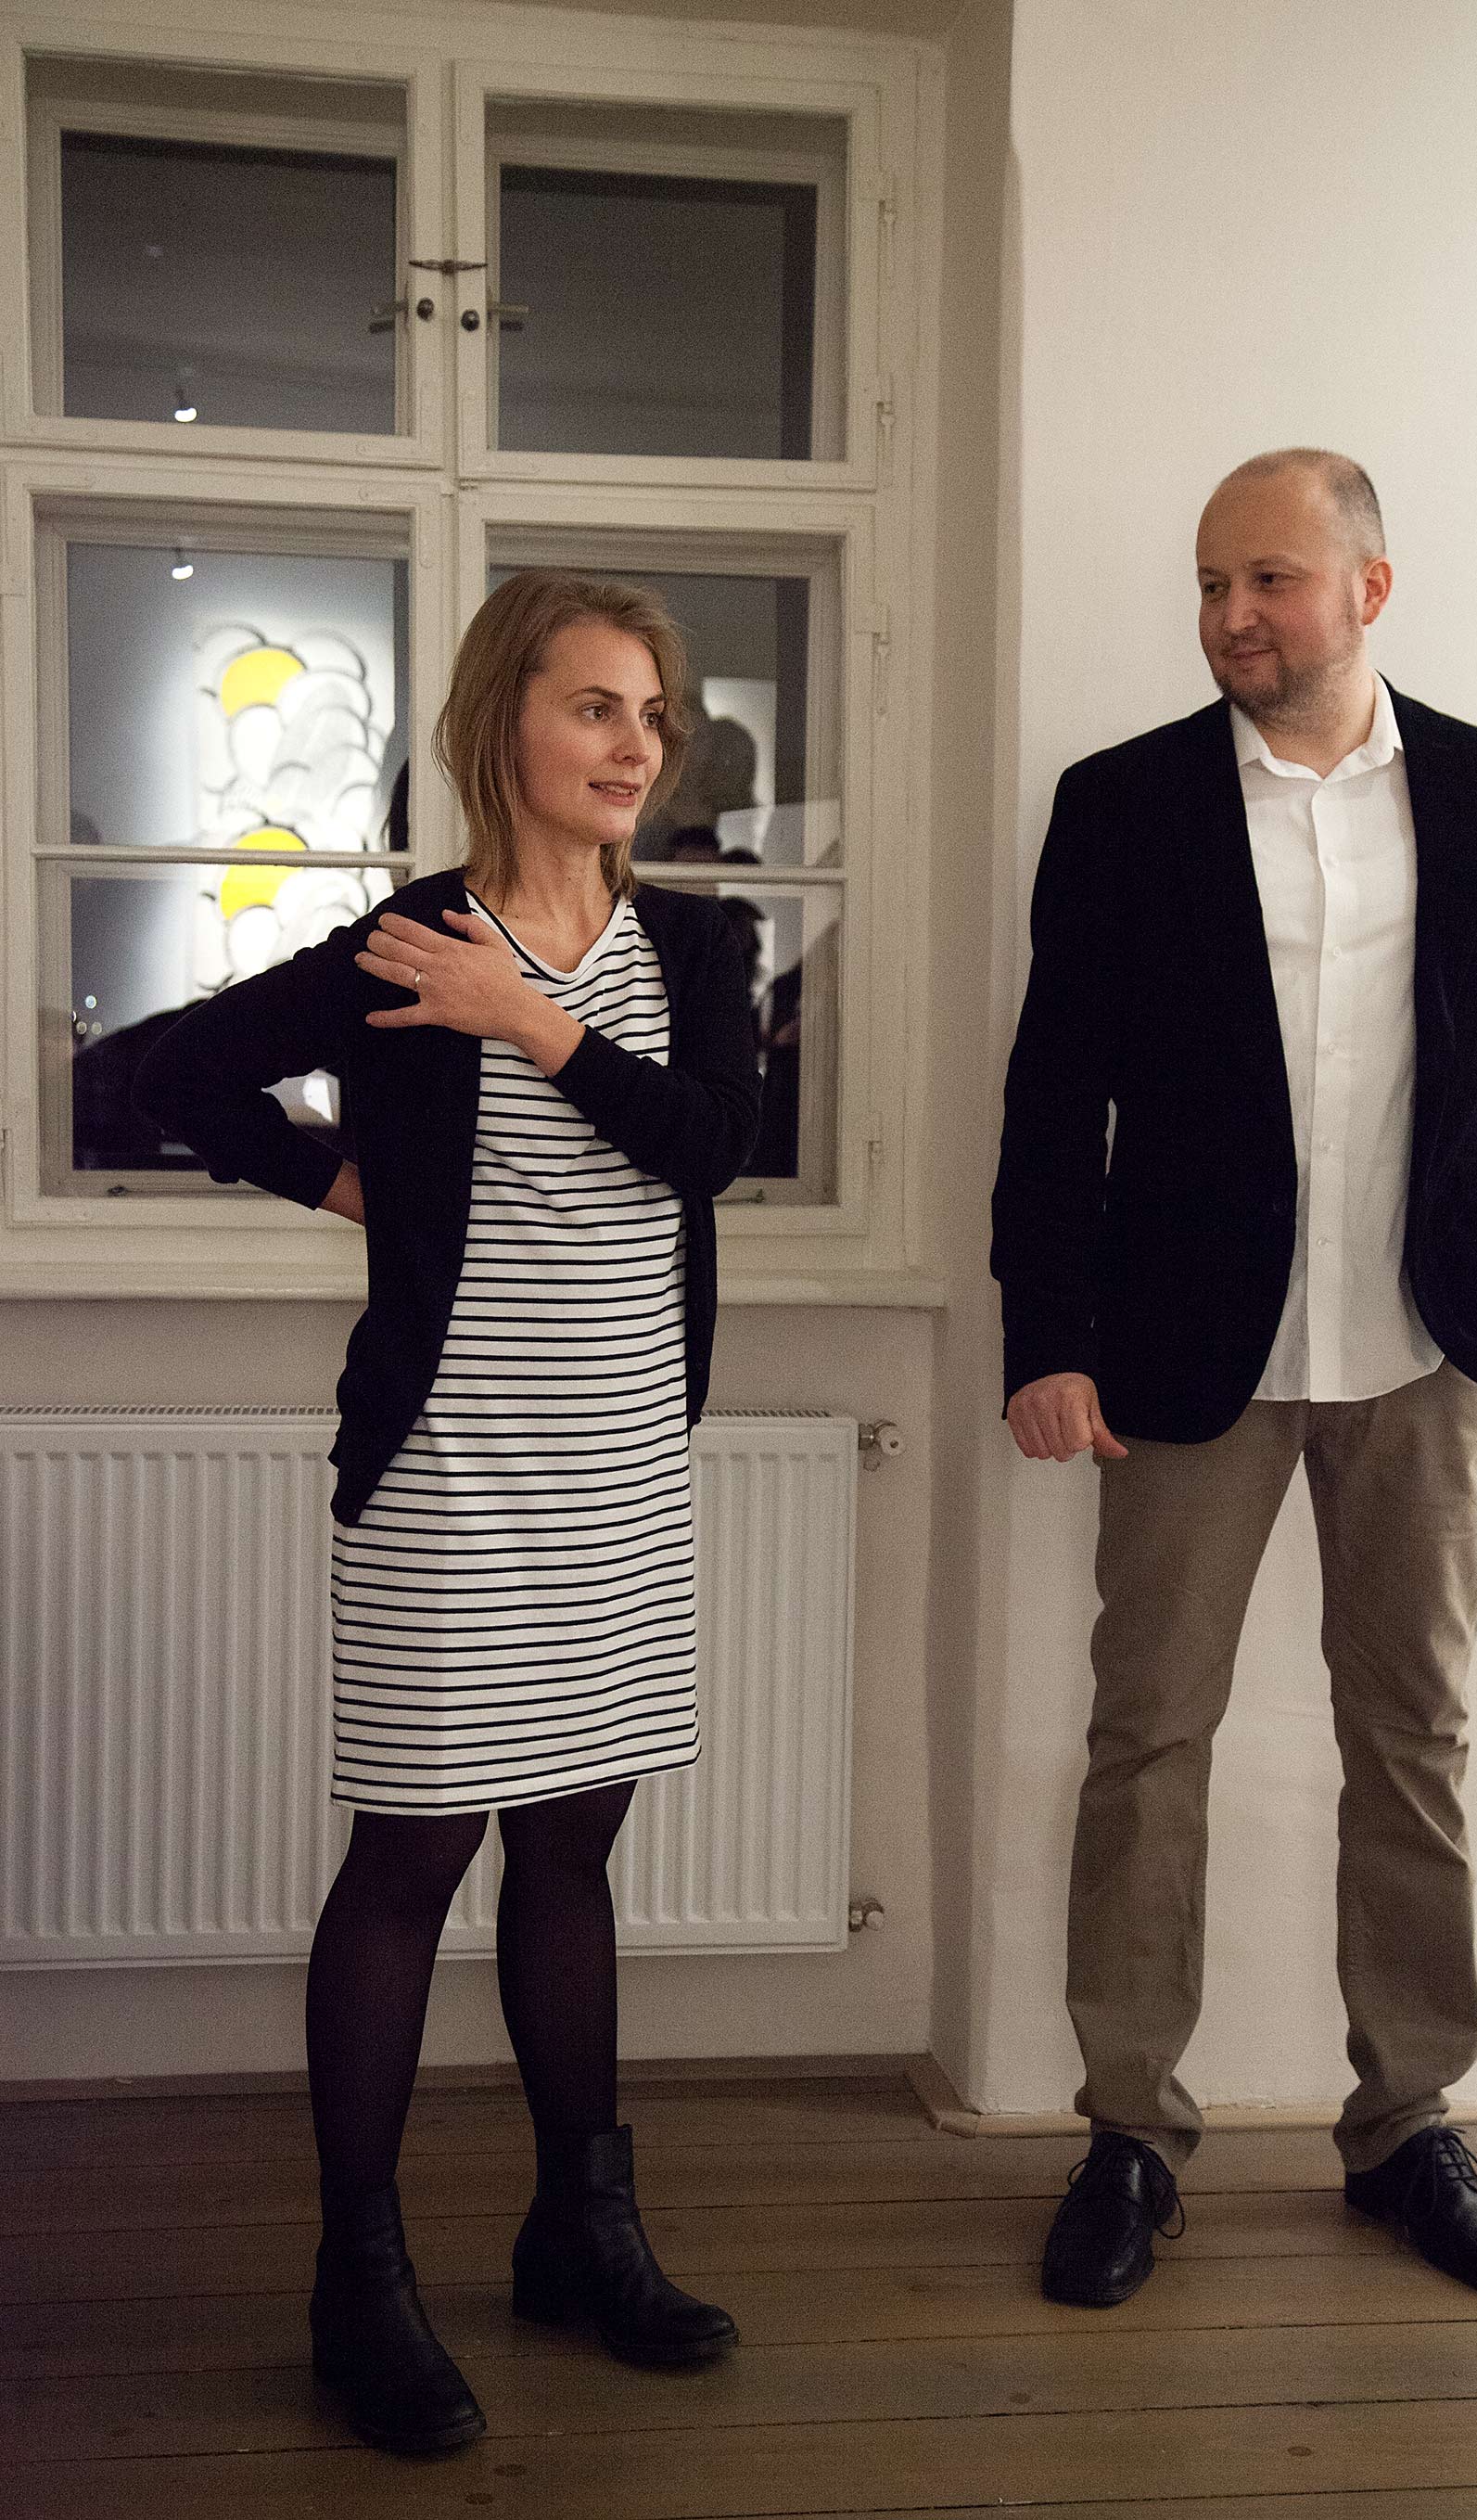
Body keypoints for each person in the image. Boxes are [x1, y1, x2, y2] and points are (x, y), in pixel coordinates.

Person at [990, 450, 1477, 2314]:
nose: (1230, 617)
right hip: (1181, 1359)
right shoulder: (1124, 803)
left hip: (1418, 1353)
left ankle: (1407, 2122)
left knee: (1412, 1737)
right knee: (1149, 1739)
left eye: (1267, 579)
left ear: (1369, 586)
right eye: (1212, 584)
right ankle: (1130, 2131)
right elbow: (1056, 1095)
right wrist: (1050, 1333)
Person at [136, 570, 761, 2454]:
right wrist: (348, 1185)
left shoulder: (699, 947)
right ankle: (359, 2281)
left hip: (621, 1469)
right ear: (506, 721)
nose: (635, 745)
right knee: (411, 1859)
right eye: (595, 706)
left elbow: (709, 1151)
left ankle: (582, 2228)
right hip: (450, 1474)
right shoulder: (411, 950)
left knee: (574, 1849)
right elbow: (168, 1070)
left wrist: (534, 1022)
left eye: (651, 714)